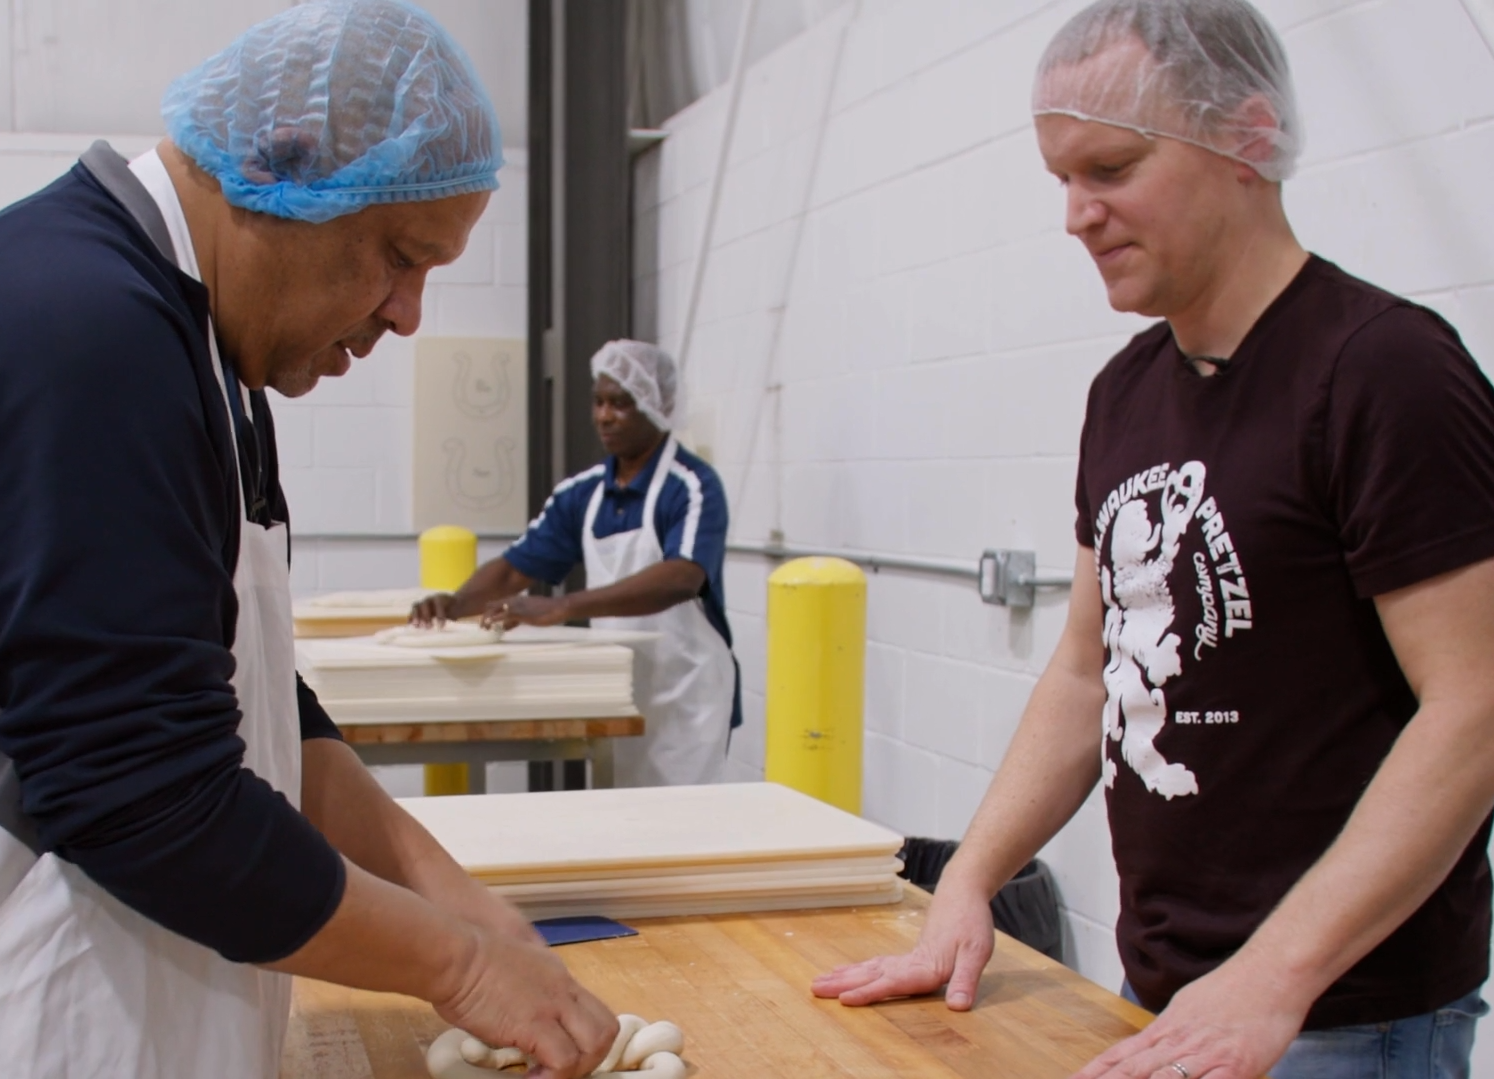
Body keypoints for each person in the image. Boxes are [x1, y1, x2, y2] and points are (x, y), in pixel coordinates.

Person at [0, 3, 617, 1077]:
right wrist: (458, 968)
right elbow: (144, 798)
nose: (409, 314)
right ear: (282, 167)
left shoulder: (203, 350)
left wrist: (461, 904)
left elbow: (255, 698)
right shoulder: (76, 333)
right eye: (399, 257)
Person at [812, 2, 1494, 1077]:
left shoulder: (1380, 368)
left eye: (1111, 169)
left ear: (1248, 138)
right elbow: (1087, 671)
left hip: (1336, 1015)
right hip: (1167, 994)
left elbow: (1474, 705)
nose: (1076, 216)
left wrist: (1271, 976)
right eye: (1061, 179)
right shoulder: (1124, 392)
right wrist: (967, 881)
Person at [412, 341, 739, 788]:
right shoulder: (582, 494)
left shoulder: (692, 486)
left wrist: (563, 607)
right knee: (620, 810)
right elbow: (514, 570)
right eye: (598, 402)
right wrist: (454, 605)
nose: (604, 416)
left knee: (681, 818)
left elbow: (682, 577)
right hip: (616, 689)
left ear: (656, 407)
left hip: (685, 695)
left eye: (620, 403)